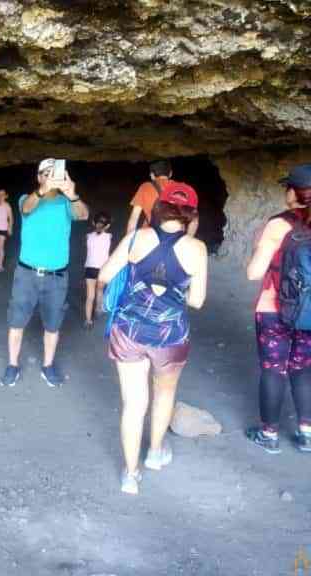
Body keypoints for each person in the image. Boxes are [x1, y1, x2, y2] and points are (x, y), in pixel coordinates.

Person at [99, 181, 207, 495]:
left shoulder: (137, 237)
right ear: (190, 214)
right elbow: (197, 300)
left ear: (159, 207)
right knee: (163, 395)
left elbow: (104, 274)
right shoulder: (196, 248)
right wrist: (171, 291)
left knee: (133, 405)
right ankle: (156, 453)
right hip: (170, 336)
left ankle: (130, 476)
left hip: (129, 331)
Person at [0, 159, 89, 388]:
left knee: (53, 325)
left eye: (55, 173)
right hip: (26, 274)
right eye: (46, 174)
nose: (51, 177)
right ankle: (12, 364)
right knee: (17, 321)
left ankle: (47, 366)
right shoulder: (26, 199)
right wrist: (42, 190)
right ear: (39, 177)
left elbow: (83, 215)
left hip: (57, 277)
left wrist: (72, 194)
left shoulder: (65, 203)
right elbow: (26, 208)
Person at [245, 164, 311, 454]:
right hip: (310, 313)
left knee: (273, 369)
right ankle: (306, 433)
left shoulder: (278, 225)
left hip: (274, 308)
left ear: (294, 193)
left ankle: (269, 434)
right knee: (302, 369)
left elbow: (253, 273)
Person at [126, 159, 198, 237]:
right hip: (177, 236)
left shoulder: (145, 187)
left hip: (150, 234)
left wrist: (129, 241)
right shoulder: (183, 189)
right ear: (170, 173)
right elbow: (194, 222)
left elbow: (134, 218)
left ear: (152, 175)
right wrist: (187, 239)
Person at [84, 211, 112, 328]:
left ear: (93, 223)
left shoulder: (88, 236)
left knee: (90, 296)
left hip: (90, 268)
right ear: (108, 226)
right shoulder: (109, 236)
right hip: (102, 268)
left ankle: (88, 320)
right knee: (100, 290)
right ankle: (98, 309)